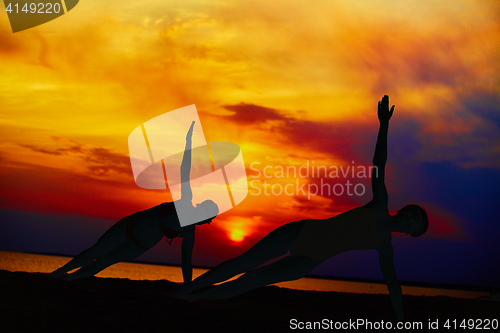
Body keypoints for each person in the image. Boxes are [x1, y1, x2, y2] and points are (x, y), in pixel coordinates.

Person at [170, 96, 428, 321]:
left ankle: (193, 300)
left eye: (414, 220)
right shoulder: (380, 204)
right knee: (244, 262)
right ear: (404, 209)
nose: (410, 215)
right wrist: (384, 125)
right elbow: (378, 163)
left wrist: (402, 319)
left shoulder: (384, 246)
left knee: (250, 281)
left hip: (309, 260)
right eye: (412, 211)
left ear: (411, 232)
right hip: (302, 232)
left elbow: (393, 285)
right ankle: (184, 291)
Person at [50, 121, 219, 282]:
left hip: (140, 245)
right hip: (129, 226)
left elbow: (186, 261)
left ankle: (69, 278)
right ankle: (57, 273)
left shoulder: (189, 233)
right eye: (206, 213)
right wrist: (188, 143)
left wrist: (187, 286)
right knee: (97, 251)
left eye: (208, 219)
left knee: (104, 262)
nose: (205, 219)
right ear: (200, 207)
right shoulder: (185, 201)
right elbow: (185, 170)